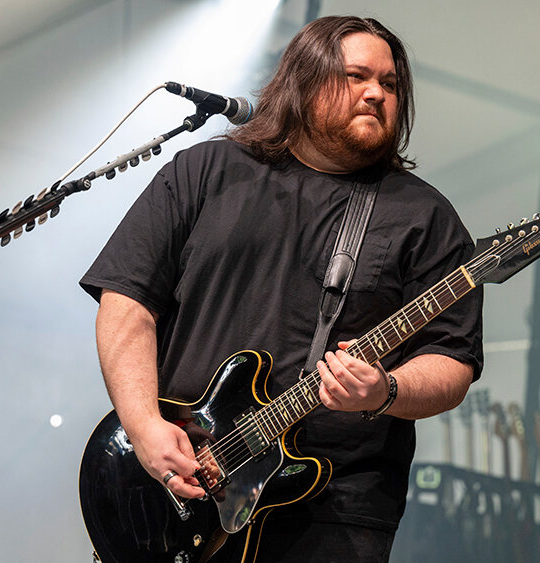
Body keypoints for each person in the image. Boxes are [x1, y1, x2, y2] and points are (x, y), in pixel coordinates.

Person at [80, 15, 483, 562]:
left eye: (390, 85)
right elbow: (127, 303)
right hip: (182, 481)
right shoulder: (205, 170)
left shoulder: (424, 216)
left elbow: (452, 360)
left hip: (336, 508)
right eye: (357, 76)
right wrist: (145, 426)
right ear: (304, 80)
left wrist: (384, 391)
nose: (376, 93)